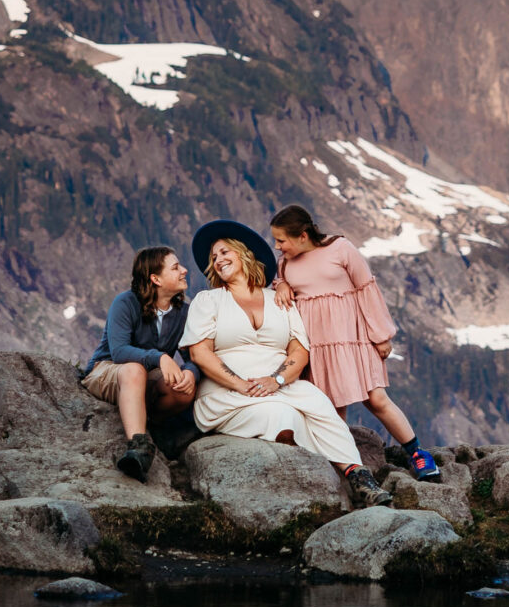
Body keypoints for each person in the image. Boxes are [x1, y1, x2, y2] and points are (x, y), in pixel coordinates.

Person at [183, 230, 388, 506]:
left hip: (280, 384)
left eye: (224, 251)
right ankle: (308, 480)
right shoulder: (208, 301)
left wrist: (276, 379)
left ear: (244, 254)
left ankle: (358, 477)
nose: (218, 259)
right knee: (281, 415)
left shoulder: (278, 299)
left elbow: (299, 350)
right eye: (214, 257)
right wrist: (241, 384)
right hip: (227, 391)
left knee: (321, 405)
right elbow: (200, 352)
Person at [269, 203, 440, 481]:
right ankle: (346, 468)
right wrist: (283, 285)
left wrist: (381, 335)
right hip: (318, 345)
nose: (277, 246)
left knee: (376, 399)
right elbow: (281, 283)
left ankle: (418, 453)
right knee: (331, 406)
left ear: (302, 235)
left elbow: (366, 288)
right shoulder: (286, 262)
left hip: (352, 337)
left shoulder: (340, 248)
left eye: (281, 240)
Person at [82, 245, 198, 482]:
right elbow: (119, 351)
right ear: (155, 278)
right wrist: (160, 357)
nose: (184, 270)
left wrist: (191, 374)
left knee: (182, 388)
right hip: (108, 370)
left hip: (146, 377)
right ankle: (139, 447)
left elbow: (193, 359)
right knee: (134, 370)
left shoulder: (183, 313)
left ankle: (156, 427)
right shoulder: (126, 302)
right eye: (175, 267)